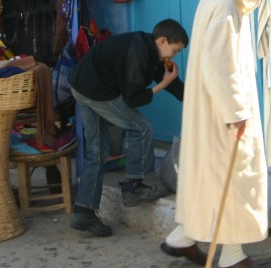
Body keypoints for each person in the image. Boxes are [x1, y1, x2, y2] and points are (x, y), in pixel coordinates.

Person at [161, 0, 271, 268]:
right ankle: (232, 256)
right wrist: (236, 111)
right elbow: (218, 65)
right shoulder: (227, 6)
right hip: (222, 113)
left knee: (207, 178)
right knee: (238, 179)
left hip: (208, 111)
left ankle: (182, 237)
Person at [69, 18, 188, 237]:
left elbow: (168, 81)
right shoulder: (139, 53)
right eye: (175, 50)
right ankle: (133, 186)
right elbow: (133, 99)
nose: (174, 55)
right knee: (141, 127)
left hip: (82, 85)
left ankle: (84, 211)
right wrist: (163, 84)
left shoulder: (150, 51)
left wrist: (192, 98)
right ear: (162, 41)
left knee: (97, 151)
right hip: (95, 90)